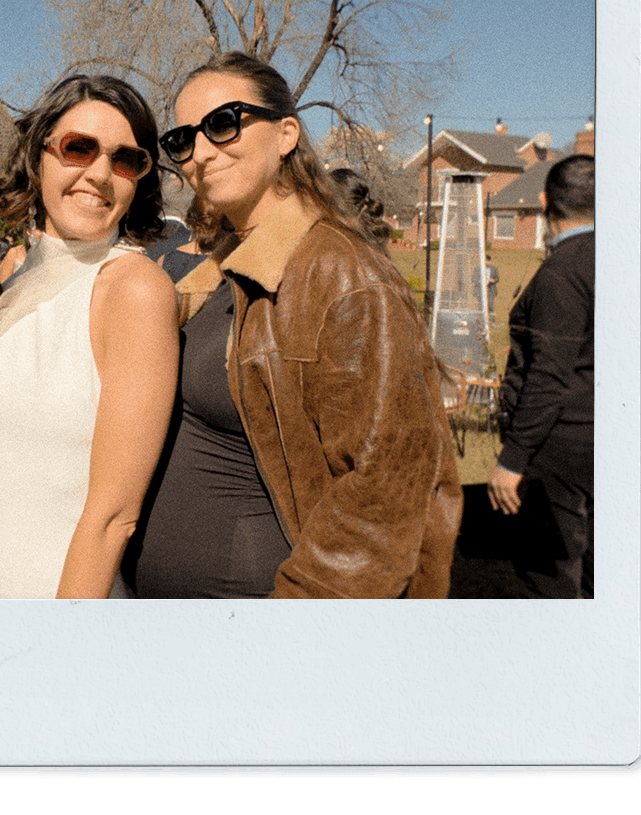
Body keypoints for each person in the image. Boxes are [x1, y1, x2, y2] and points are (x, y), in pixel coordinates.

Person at [122, 51, 462, 599]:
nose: (200, 153)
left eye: (223, 123)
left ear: (286, 135)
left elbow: (387, 492)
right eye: (182, 139)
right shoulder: (224, 268)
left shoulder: (341, 274)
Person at [0, 76, 179, 598]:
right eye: (78, 148)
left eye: (126, 160)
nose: (100, 174)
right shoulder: (10, 280)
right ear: (38, 157)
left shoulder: (134, 288)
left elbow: (115, 516)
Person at [487, 155, 594, 598]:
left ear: (545, 202)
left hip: (560, 448)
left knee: (550, 579)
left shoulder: (563, 272)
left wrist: (512, 460)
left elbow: (548, 375)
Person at [484, 252, 500, 323]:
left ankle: (492, 320)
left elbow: (497, 279)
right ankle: (483, 320)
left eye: (489, 260)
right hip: (482, 290)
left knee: (490, 304)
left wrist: (492, 280)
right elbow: (473, 278)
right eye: (487, 260)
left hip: (491, 289)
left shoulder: (494, 269)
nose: (489, 262)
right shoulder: (479, 268)